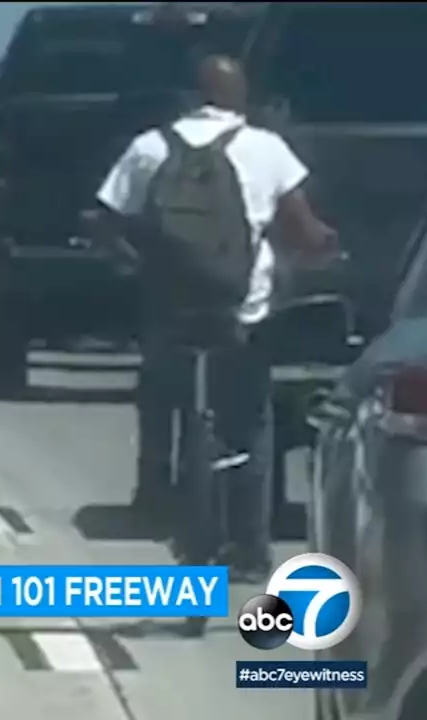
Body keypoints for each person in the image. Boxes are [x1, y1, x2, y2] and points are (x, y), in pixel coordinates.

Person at [88, 55, 337, 581]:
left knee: (160, 396)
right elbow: (303, 229)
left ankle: (153, 496)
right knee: (250, 426)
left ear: (191, 96)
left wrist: (132, 264)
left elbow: (104, 219)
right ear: (240, 96)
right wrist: (324, 250)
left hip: (169, 310)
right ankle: (249, 548)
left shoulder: (149, 147)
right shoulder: (267, 148)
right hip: (241, 313)